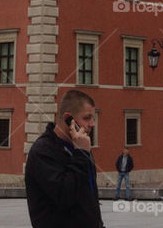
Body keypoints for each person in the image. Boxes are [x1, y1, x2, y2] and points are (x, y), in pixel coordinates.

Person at [25, 89, 104, 228]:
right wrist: (81, 154)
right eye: (87, 118)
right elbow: (65, 196)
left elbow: (89, 196)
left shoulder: (80, 148)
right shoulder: (42, 151)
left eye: (93, 118)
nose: (92, 124)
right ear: (69, 119)